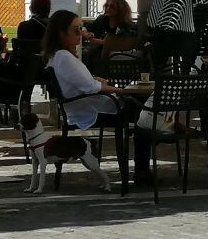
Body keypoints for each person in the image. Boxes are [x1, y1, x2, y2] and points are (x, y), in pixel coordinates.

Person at [42, 10, 139, 181]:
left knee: (143, 109)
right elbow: (90, 87)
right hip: (91, 109)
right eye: (76, 30)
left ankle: (143, 164)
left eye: (81, 28)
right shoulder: (64, 57)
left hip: (84, 105)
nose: (81, 33)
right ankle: (143, 167)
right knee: (145, 111)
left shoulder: (59, 56)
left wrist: (98, 81)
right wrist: (120, 90)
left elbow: (82, 81)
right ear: (61, 33)